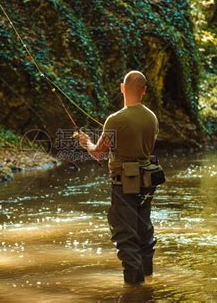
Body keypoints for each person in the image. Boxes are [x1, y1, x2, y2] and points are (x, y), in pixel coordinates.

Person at [78, 70, 159, 285]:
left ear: (123, 88)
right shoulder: (152, 117)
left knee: (126, 237)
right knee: (145, 233)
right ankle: (149, 283)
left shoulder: (115, 119)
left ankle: (134, 291)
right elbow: (148, 149)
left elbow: (98, 153)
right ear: (143, 91)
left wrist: (86, 142)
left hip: (124, 184)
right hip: (148, 182)